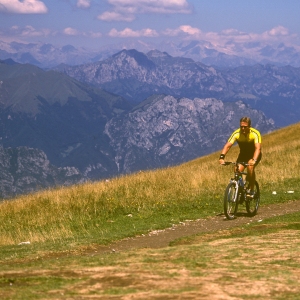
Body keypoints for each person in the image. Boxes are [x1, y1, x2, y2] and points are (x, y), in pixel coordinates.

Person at [219, 116, 262, 198]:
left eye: (245, 127)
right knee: (236, 170)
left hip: (254, 155)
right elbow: (228, 146)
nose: (242, 129)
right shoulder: (236, 133)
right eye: (241, 126)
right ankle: (240, 189)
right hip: (243, 155)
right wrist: (221, 157)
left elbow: (258, 148)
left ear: (249, 126)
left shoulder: (255, 133)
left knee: (250, 167)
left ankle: (251, 189)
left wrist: (254, 159)